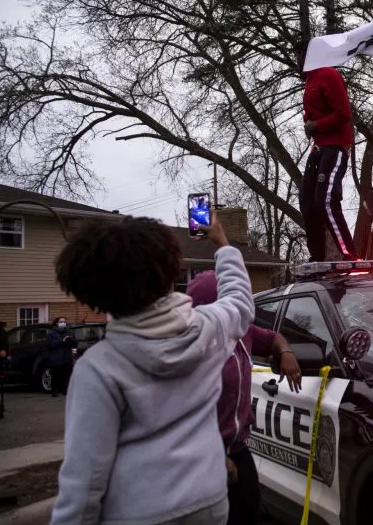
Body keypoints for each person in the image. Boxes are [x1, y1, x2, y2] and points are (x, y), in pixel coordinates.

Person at [50, 214, 254, 524]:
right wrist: (223, 245)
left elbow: (85, 479)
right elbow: (239, 301)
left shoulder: (98, 368)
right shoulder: (209, 330)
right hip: (209, 502)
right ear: (170, 270)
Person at [186, 271, 302, 525]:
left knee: (249, 510)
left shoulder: (242, 332)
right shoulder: (191, 348)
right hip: (201, 457)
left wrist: (285, 351)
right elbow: (179, 412)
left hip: (237, 448)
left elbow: (272, 338)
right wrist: (214, 456)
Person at [301, 64, 358, 262]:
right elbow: (312, 112)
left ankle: (349, 254)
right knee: (307, 203)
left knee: (325, 201)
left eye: (300, 54)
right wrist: (308, 121)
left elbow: (343, 114)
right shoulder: (309, 80)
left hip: (336, 146)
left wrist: (317, 125)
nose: (297, 59)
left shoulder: (328, 75)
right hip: (318, 147)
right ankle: (316, 256)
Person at [46, 317, 75, 397]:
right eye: (61, 322)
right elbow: (50, 345)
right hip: (56, 358)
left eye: (64, 322)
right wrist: (62, 341)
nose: (63, 323)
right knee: (56, 375)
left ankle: (65, 390)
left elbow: (75, 344)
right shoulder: (51, 333)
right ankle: (55, 390)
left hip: (66, 357)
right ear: (56, 323)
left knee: (66, 375)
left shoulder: (69, 332)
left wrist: (72, 340)